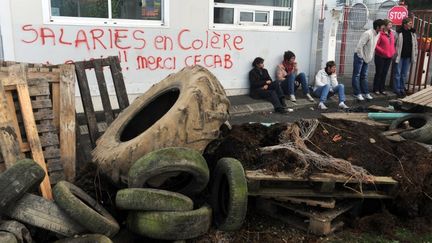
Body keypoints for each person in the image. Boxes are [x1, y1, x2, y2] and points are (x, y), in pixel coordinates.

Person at [352, 19, 385, 101]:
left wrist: (368, 58)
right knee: (357, 75)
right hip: (360, 56)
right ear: (377, 27)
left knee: (364, 76)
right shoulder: (367, 33)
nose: (383, 28)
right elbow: (360, 46)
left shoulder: (378, 34)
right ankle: (357, 93)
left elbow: (372, 47)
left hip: (367, 58)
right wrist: (361, 57)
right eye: (382, 27)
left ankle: (365, 92)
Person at [394, 17, 418, 98]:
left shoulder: (413, 33)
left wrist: (415, 54)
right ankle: (397, 89)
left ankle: (402, 88)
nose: (411, 24)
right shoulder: (399, 32)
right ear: (405, 24)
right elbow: (394, 43)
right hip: (400, 56)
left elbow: (415, 45)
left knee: (404, 74)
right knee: (398, 73)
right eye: (410, 23)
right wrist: (395, 53)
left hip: (408, 57)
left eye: (411, 23)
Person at [373, 19, 396, 96]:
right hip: (380, 56)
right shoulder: (380, 34)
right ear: (385, 26)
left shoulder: (392, 33)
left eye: (391, 25)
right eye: (389, 25)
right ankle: (376, 89)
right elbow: (375, 45)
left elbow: (393, 43)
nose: (391, 26)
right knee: (379, 73)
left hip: (389, 56)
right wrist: (382, 51)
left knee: (384, 73)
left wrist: (393, 51)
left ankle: (382, 89)